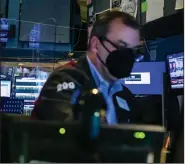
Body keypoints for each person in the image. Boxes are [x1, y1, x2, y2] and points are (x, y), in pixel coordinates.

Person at [31, 11, 144, 124]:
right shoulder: (65, 79)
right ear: (95, 45)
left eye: (133, 51)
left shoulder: (124, 95)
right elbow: (67, 133)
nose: (128, 57)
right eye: (121, 47)